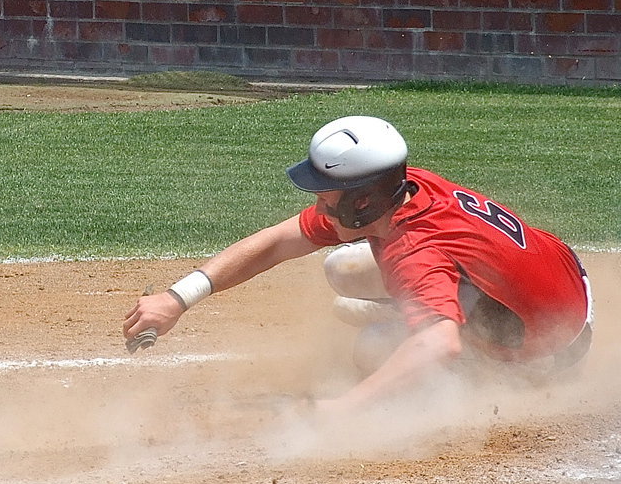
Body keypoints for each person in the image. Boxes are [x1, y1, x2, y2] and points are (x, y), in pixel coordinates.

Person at [123, 116, 592, 417]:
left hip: (549, 342)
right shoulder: (406, 188)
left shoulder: (416, 249)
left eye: (327, 191)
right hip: (556, 277)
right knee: (342, 271)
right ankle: (437, 310)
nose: (319, 202)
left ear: (363, 199)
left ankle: (493, 372)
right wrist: (177, 298)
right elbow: (276, 243)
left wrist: (343, 409)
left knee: (373, 348)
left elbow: (441, 343)